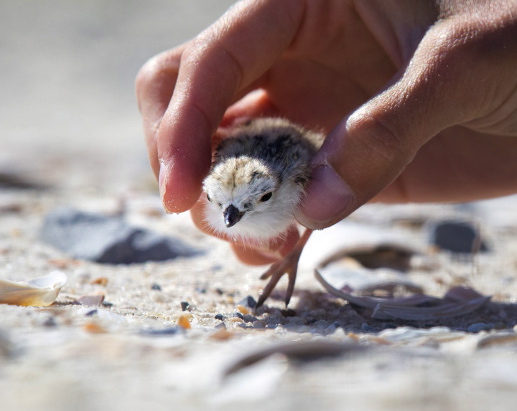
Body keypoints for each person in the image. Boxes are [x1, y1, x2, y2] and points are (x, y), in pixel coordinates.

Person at [136, 0, 517, 264]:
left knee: (312, 211)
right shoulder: (228, 199)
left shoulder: (293, 177)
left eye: (261, 198)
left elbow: (306, 166)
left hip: (279, 158)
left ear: (279, 187)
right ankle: (291, 257)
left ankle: (293, 257)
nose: (232, 216)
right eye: (222, 203)